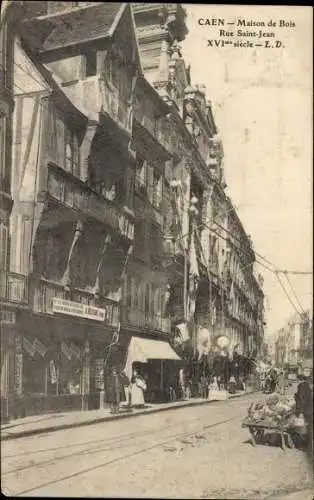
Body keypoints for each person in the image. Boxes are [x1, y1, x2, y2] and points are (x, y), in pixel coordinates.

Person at [294, 367, 313, 456]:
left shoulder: (302, 385)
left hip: (307, 410)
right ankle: (309, 446)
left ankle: (307, 447)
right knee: (311, 428)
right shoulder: (310, 384)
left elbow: (302, 400)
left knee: (306, 429)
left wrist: (301, 412)